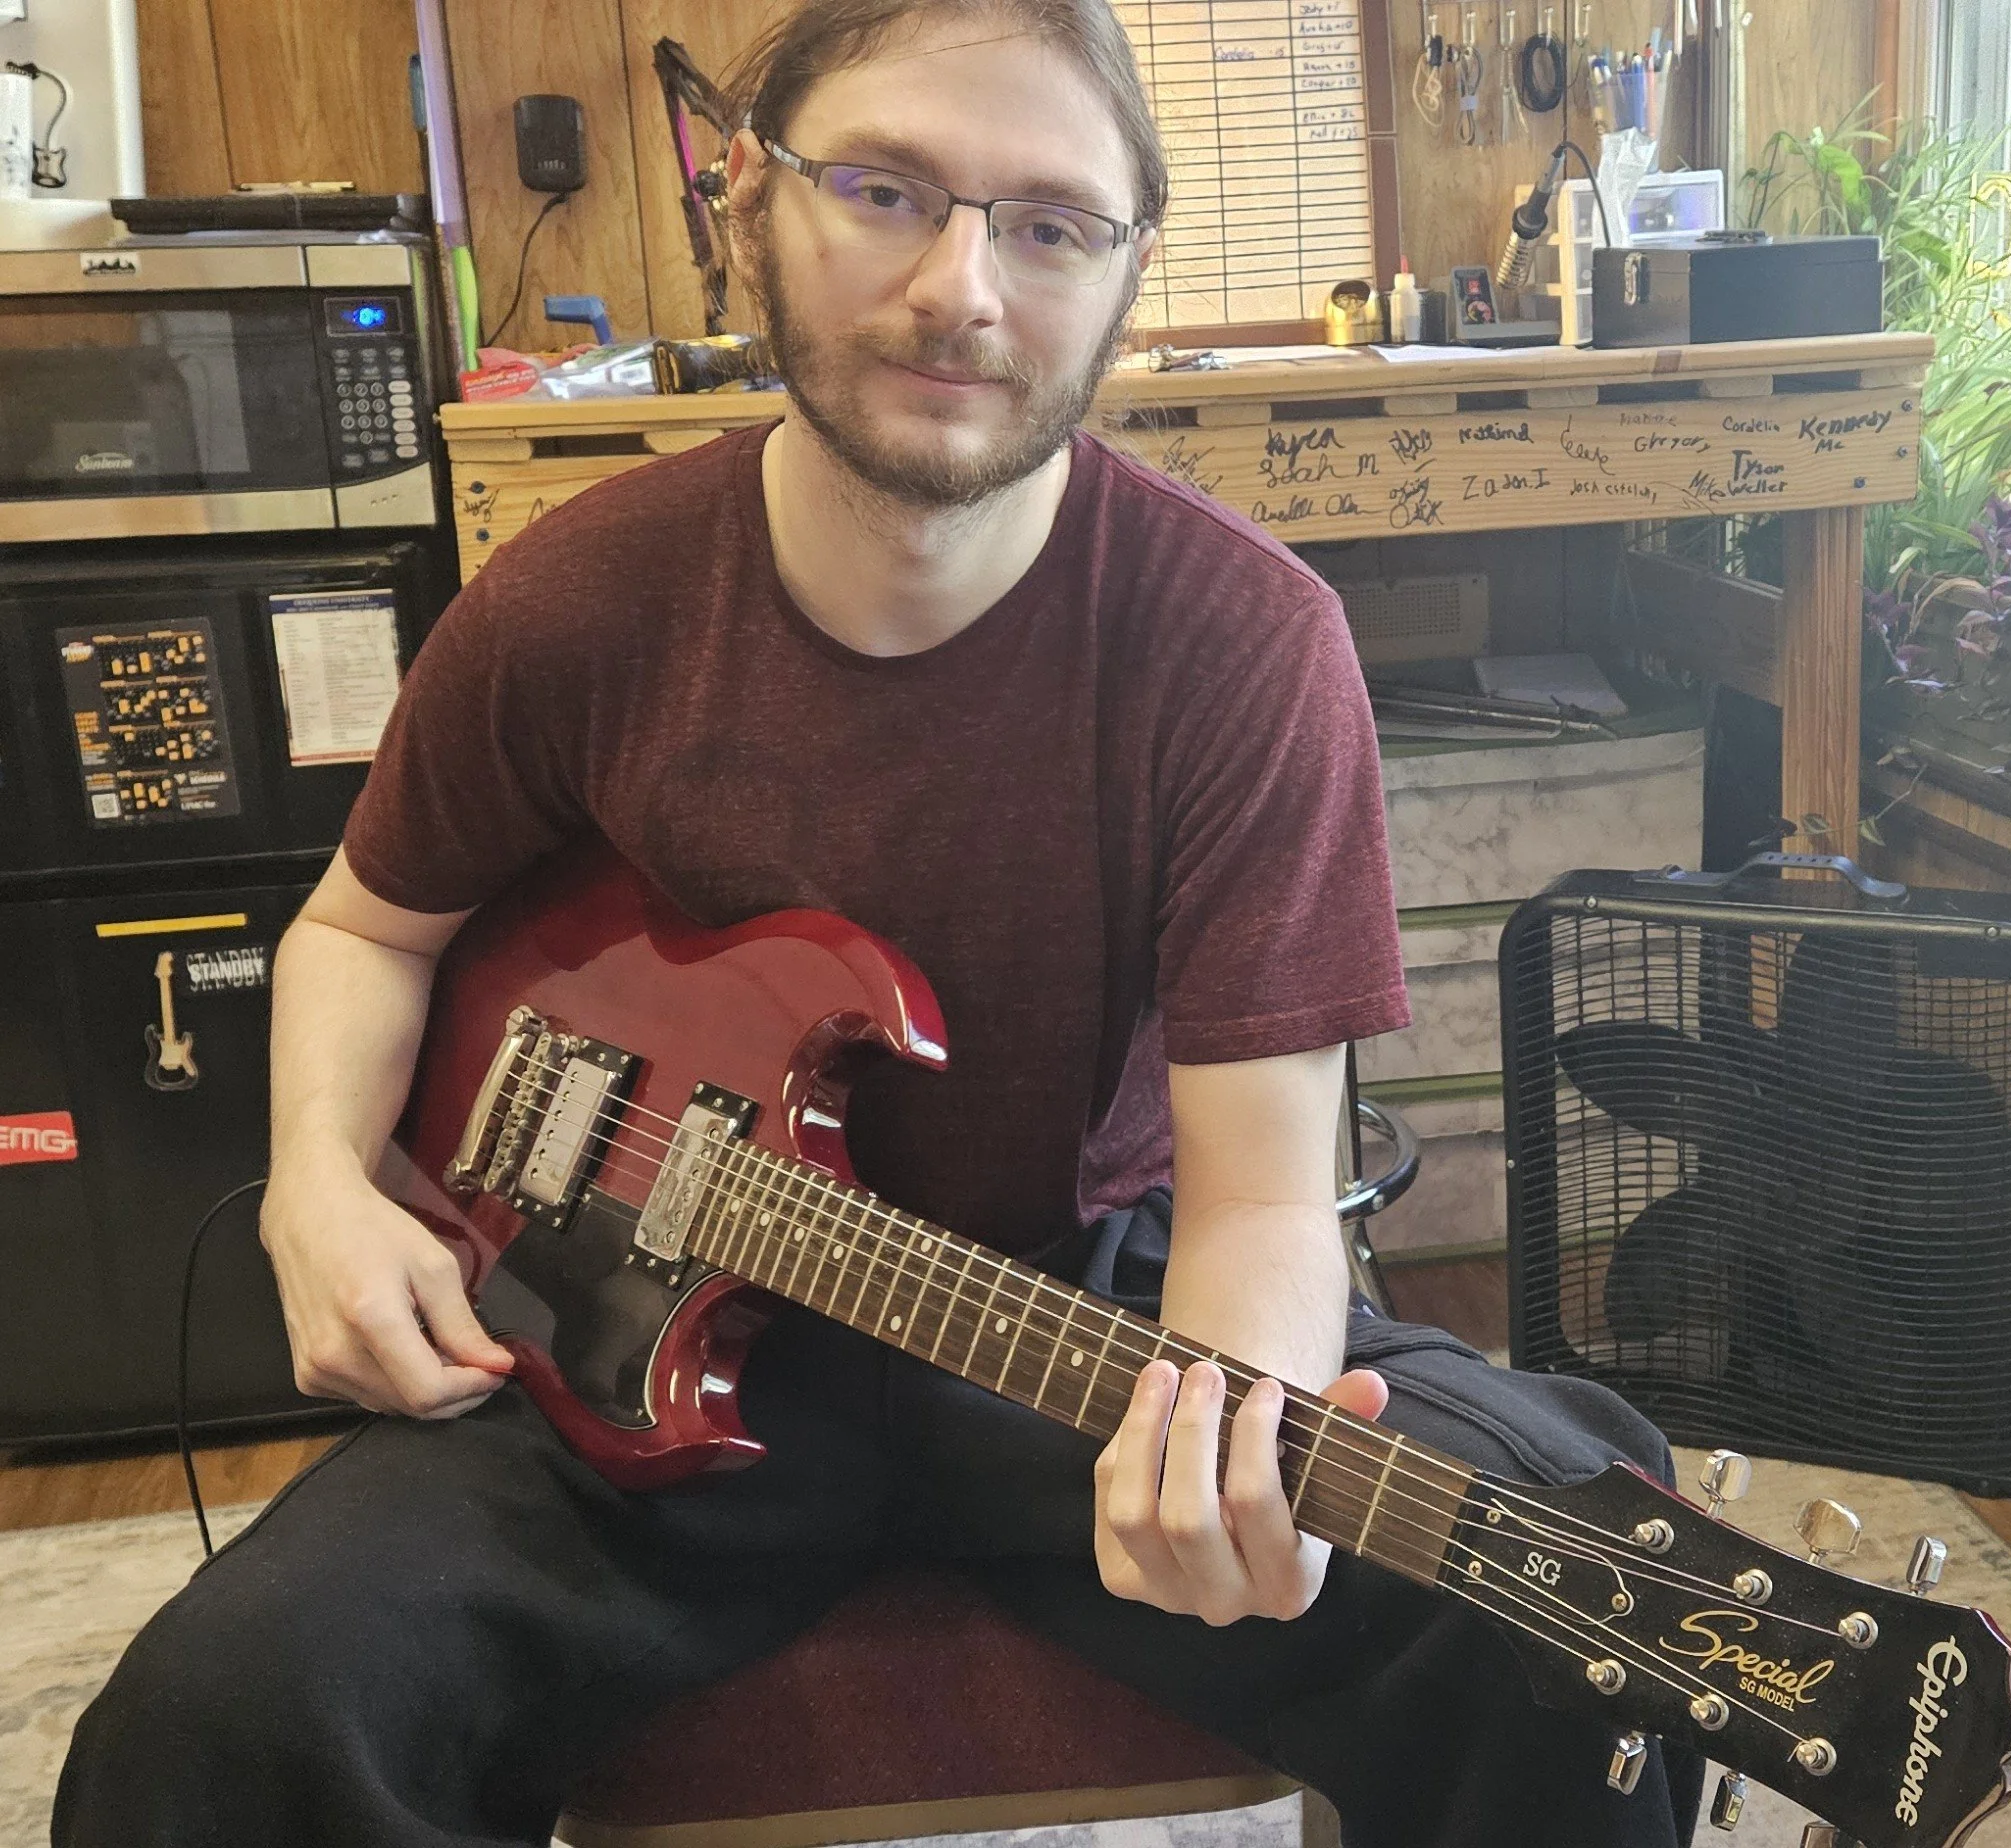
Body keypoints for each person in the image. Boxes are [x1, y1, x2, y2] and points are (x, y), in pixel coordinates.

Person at [55, 1, 1700, 1842]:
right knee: (212, 1730)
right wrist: (316, 1184)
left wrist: (1226, 1430)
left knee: (1575, 1640)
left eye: (1049, 223)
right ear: (746, 206)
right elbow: (364, 930)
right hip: (618, 1323)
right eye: (884, 190)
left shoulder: (1244, 644)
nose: (960, 288)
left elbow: (1255, 1195)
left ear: (1125, 268)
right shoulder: (574, 601)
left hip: (1082, 1323)